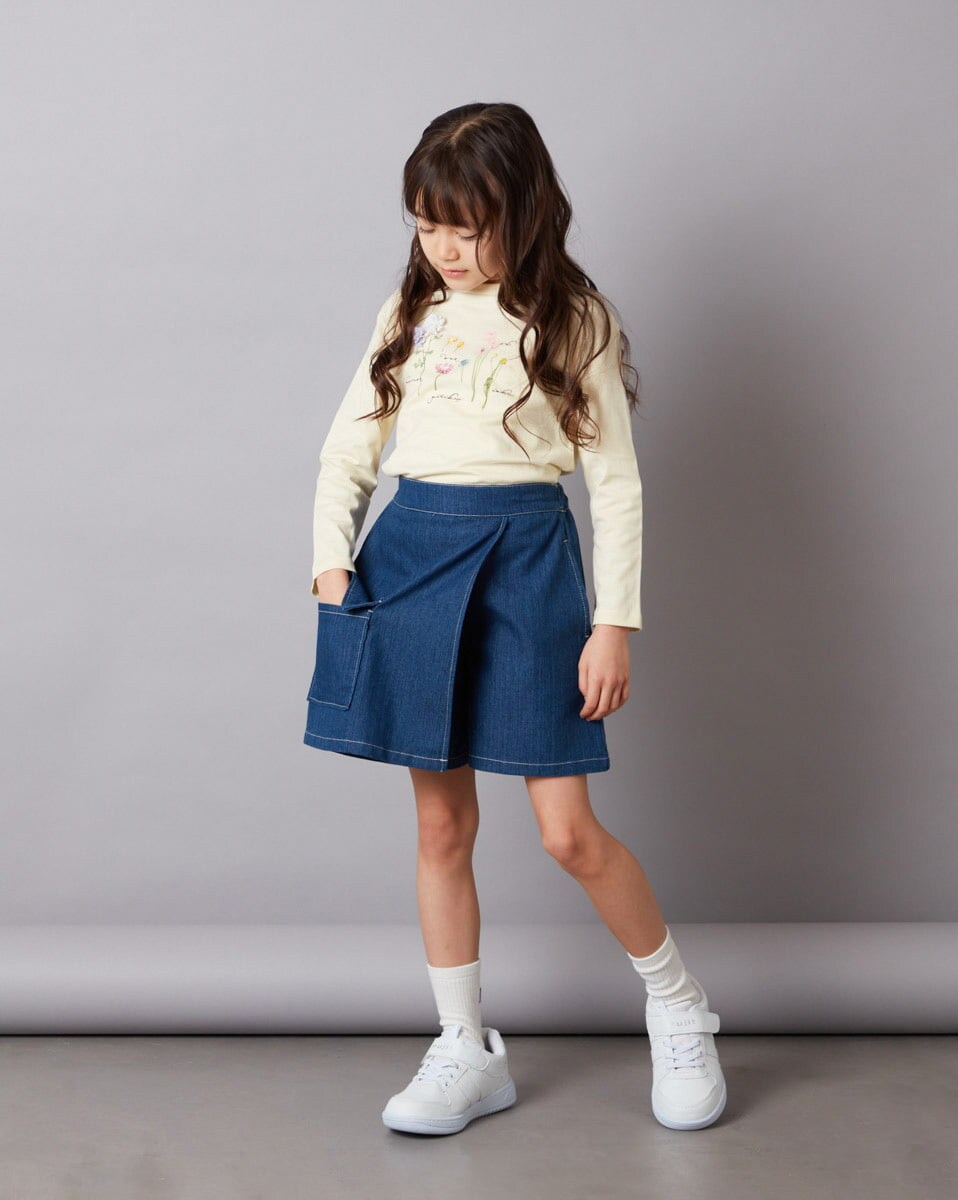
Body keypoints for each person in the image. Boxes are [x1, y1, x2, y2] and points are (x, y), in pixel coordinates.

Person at [304, 102, 726, 1135]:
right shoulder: (409, 312)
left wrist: (613, 622)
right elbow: (350, 447)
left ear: (523, 213)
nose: (444, 250)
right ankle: (465, 1047)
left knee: (566, 834)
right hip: (410, 559)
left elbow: (614, 483)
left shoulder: (576, 318)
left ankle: (679, 1006)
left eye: (467, 227)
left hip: (530, 565)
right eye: (426, 226)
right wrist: (330, 560)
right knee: (441, 823)